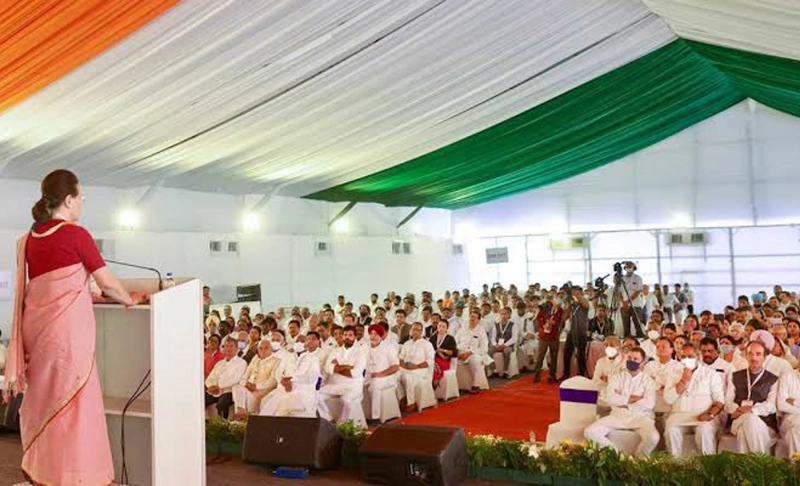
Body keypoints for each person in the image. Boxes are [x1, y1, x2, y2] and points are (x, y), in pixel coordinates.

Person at [3, 170, 138, 485]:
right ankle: (77, 476)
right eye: (80, 197)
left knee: (46, 403)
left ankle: (46, 472)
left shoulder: (30, 240)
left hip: (37, 336)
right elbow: (108, 285)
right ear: (68, 199)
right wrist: (129, 299)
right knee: (75, 407)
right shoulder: (77, 235)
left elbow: (48, 289)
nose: (82, 203)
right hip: (67, 340)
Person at [583, 347, 659, 455]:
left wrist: (622, 399)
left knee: (653, 437)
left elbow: (649, 403)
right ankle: (619, 456)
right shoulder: (616, 378)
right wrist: (634, 398)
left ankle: (638, 460)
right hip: (618, 415)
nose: (631, 361)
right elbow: (610, 398)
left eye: (635, 359)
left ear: (642, 363)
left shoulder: (648, 381)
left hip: (642, 417)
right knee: (590, 432)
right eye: (629, 358)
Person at [662, 343, 725, 457]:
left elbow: (719, 400)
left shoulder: (710, 374)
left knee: (704, 431)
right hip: (679, 415)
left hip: (704, 416)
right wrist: (683, 380)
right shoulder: (673, 373)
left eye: (690, 356)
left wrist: (710, 415)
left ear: (698, 356)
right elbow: (668, 399)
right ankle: (675, 466)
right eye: (684, 357)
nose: (687, 359)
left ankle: (708, 466)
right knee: (671, 430)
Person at [724, 341, 778, 454]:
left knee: (747, 426)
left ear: (764, 357)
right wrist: (736, 409)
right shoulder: (735, 376)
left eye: (758, 354)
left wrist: (752, 411)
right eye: (750, 354)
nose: (754, 357)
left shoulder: (773, 379)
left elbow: (771, 405)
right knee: (749, 420)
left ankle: (746, 467)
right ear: (746, 356)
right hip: (737, 419)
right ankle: (760, 462)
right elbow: (728, 402)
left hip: (765, 424)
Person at [260, 334, 322, 418]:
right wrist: (282, 380)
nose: (299, 343)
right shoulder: (288, 356)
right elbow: (277, 372)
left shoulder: (312, 358)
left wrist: (292, 381)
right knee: (266, 401)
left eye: (302, 341)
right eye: (297, 341)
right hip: (284, 389)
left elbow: (312, 377)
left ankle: (272, 428)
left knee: (281, 404)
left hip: (303, 392)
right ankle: (264, 428)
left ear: (306, 343)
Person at [318, 326, 368, 426]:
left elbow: (355, 373)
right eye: (345, 335)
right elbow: (327, 368)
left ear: (355, 337)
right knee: (316, 394)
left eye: (350, 335)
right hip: (336, 384)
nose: (347, 337)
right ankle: (329, 420)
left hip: (352, 386)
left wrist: (337, 367)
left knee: (346, 400)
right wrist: (347, 367)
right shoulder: (336, 351)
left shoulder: (360, 352)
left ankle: (343, 424)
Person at [231, 339, 281, 420]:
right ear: (258, 350)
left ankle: (240, 416)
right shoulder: (255, 359)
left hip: (261, 396)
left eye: (266, 348)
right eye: (261, 348)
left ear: (271, 349)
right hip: (248, 393)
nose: (263, 350)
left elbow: (273, 381)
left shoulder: (277, 361)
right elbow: (244, 376)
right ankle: (242, 412)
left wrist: (256, 386)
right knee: (236, 387)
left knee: (239, 396)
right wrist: (245, 385)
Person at [205, 338, 248, 419]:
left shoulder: (241, 362)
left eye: (231, 346)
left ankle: (223, 427)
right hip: (214, 391)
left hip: (230, 391)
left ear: (236, 349)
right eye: (227, 346)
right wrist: (210, 386)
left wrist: (219, 386)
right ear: (223, 348)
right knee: (201, 400)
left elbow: (236, 379)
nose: (229, 348)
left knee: (222, 404)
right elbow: (210, 377)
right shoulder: (220, 363)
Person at [399, 323, 435, 412]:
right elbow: (400, 358)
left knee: (408, 377)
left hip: (420, 369)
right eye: (413, 329)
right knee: (394, 376)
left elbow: (430, 360)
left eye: (417, 330)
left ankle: (411, 402)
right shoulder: (407, 343)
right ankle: (402, 398)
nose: (415, 332)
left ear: (421, 332)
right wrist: (404, 366)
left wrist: (417, 366)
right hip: (405, 368)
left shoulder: (427, 344)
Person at [455, 310, 491, 393]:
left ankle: (475, 385)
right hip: (460, 352)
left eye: (474, 317)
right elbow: (455, 342)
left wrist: (470, 352)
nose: (472, 319)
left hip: (474, 353)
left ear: (478, 320)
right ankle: (456, 386)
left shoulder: (481, 331)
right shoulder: (462, 329)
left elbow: (484, 348)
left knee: (476, 360)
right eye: (471, 316)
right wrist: (458, 353)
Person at [532, 293, 563, 384]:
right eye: (548, 298)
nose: (550, 300)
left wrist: (555, 323)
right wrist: (545, 324)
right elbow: (539, 319)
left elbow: (561, 321)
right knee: (540, 356)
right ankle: (537, 375)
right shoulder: (544, 308)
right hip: (543, 336)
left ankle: (552, 376)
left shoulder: (560, 310)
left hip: (554, 336)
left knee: (554, 357)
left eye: (552, 298)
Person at [560, 287, 590, 380]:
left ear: (581, 293)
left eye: (576, 293)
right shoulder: (572, 304)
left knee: (581, 354)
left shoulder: (585, 301)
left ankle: (581, 374)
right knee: (567, 353)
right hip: (572, 332)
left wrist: (578, 298)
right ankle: (566, 374)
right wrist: (568, 305)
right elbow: (564, 316)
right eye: (573, 293)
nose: (574, 295)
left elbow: (585, 305)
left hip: (581, 332)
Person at [489, 307, 519, 378]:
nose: (503, 316)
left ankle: (506, 371)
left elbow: (514, 338)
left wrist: (504, 345)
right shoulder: (496, 325)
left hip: (508, 346)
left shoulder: (513, 325)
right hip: (498, 345)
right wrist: (495, 345)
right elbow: (493, 337)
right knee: (490, 351)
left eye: (505, 314)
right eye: (502, 314)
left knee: (506, 351)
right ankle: (492, 370)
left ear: (509, 315)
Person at [777, 365, 800, 455]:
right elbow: (781, 405)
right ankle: (796, 466)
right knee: (795, 430)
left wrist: (795, 402)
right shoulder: (787, 375)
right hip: (789, 419)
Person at [619, 261, 645, 338]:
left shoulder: (638, 278)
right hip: (624, 304)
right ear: (625, 268)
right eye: (627, 266)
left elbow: (638, 291)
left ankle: (640, 337)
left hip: (635, 304)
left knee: (637, 322)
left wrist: (628, 301)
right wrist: (623, 302)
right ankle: (627, 337)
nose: (629, 268)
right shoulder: (621, 278)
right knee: (625, 323)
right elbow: (619, 292)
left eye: (630, 266)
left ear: (634, 268)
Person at [431, 320, 458, 389]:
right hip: (433, 359)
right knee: (429, 365)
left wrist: (443, 350)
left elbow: (453, 352)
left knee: (436, 366)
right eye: (439, 326)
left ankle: (435, 381)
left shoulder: (450, 338)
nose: (441, 328)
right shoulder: (433, 337)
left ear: (447, 328)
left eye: (443, 327)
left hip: (445, 360)